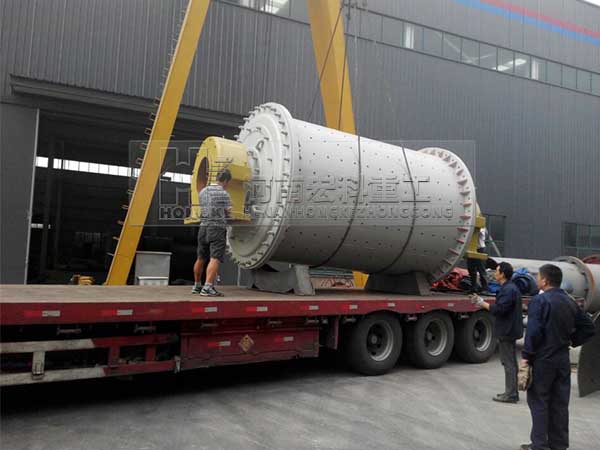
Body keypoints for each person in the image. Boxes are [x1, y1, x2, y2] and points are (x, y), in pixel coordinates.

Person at [519, 264, 595, 450]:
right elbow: (589, 328)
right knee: (559, 403)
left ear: (545, 281)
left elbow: (533, 332)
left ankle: (539, 445)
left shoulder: (540, 301)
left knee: (539, 401)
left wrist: (526, 356)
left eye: (538, 277)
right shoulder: (570, 302)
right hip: (562, 359)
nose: (537, 280)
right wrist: (572, 341)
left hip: (543, 359)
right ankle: (559, 444)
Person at [471, 261, 523, 403]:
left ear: (503, 274)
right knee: (510, 362)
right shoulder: (510, 288)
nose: (494, 273)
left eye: (497, 271)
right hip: (510, 330)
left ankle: (511, 394)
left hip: (507, 331)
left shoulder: (508, 290)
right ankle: (512, 392)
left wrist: (481, 303)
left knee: (508, 363)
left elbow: (500, 309)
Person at [192, 169, 232, 297]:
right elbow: (228, 212)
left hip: (203, 227)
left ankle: (197, 285)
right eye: (228, 182)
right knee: (215, 258)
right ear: (226, 181)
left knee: (200, 258)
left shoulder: (203, 191)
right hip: (216, 228)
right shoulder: (224, 194)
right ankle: (208, 287)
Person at [467, 227, 489, 293]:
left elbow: (479, 232)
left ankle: (485, 288)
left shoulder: (482, 227)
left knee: (481, 269)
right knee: (471, 268)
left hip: (480, 249)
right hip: (471, 249)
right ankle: (474, 287)